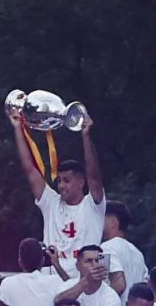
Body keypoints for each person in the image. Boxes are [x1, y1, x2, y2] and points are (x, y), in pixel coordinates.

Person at [10, 101, 103, 264]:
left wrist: (86, 135)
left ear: (81, 182)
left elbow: (94, 174)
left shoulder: (93, 205)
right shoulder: (51, 203)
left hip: (84, 282)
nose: (61, 186)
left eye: (67, 181)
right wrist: (18, 128)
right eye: (59, 181)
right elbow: (29, 169)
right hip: (52, 282)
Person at [0, 239, 65, 306]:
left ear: (20, 262)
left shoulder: (8, 284)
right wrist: (56, 264)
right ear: (43, 261)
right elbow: (74, 288)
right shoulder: (56, 282)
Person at [53, 244, 123, 306]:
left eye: (97, 260)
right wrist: (85, 281)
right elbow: (57, 303)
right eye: (89, 261)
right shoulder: (66, 286)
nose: (94, 265)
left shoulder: (111, 297)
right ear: (77, 266)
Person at [100, 201, 148, 291]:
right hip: (132, 304)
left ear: (113, 222)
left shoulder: (105, 248)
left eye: (101, 218)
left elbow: (118, 285)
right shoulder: (137, 253)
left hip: (115, 305)